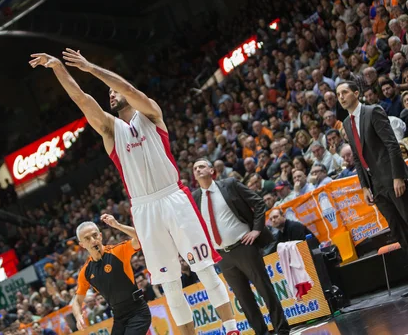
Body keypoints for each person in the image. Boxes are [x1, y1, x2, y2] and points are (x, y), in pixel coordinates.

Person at [30, 51, 240, 335]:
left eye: (113, 91)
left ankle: (232, 329)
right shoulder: (110, 130)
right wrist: (58, 68)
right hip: (145, 208)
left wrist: (91, 67)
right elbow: (82, 99)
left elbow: (128, 89)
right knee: (170, 285)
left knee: (204, 269)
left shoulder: (151, 113)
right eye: (108, 95)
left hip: (174, 197)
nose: (111, 96)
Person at [192, 158, 290, 335]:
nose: (198, 170)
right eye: (195, 168)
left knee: (265, 290)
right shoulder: (195, 197)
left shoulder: (229, 184)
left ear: (212, 170)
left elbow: (259, 203)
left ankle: (282, 329)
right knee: (244, 300)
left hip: (244, 247)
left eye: (201, 166)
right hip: (223, 256)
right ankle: (261, 332)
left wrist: (256, 230)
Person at [337, 81, 408, 253]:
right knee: (397, 230)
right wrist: (364, 186)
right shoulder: (346, 122)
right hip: (375, 185)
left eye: (344, 92)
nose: (341, 97)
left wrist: (398, 176)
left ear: (356, 93)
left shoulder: (373, 111)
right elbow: (356, 155)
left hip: (392, 178)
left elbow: (392, 144)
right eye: (338, 94)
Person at [73, 215, 150, 335]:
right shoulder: (85, 272)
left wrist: (117, 225)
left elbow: (142, 237)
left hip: (138, 311)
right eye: (87, 238)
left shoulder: (118, 251)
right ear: (82, 244)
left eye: (95, 235)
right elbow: (77, 301)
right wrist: (78, 317)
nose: (93, 240)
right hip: (119, 317)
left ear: (100, 235)